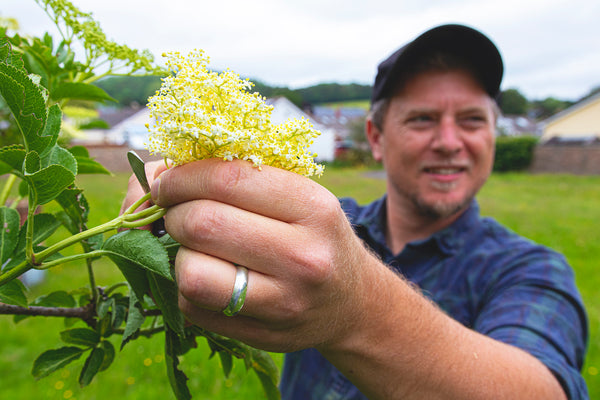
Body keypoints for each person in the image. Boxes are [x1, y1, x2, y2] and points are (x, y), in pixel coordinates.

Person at [122, 24, 588, 399]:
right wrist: (163, 224)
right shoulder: (316, 225)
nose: (450, 142)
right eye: (422, 119)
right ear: (377, 136)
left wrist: (356, 307)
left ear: (492, 135)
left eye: (471, 120)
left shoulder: (532, 270)